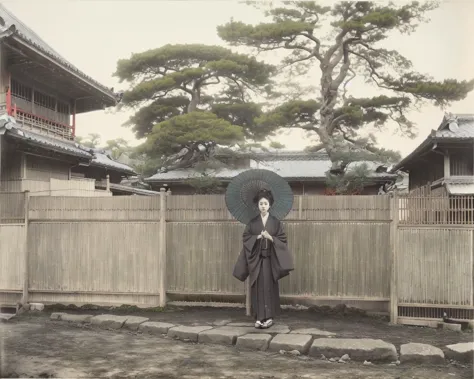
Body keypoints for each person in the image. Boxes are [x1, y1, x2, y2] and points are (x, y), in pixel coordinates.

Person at [232, 189, 294, 329]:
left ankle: (269, 317)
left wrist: (271, 237)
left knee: (269, 287)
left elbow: (282, 239)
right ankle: (259, 318)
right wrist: (257, 237)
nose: (263, 206)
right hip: (257, 261)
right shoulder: (253, 223)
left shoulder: (275, 222)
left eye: (266, 203)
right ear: (258, 206)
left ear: (270, 205)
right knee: (257, 288)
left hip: (270, 260)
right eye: (261, 204)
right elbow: (246, 238)